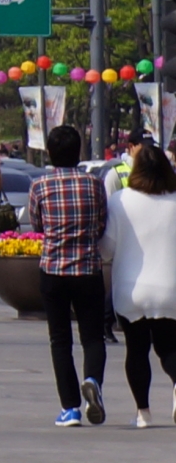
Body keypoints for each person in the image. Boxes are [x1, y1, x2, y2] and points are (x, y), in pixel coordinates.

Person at [23, 123, 111, 426]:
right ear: (79, 152)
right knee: (93, 337)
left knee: (60, 340)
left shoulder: (40, 185)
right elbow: (102, 224)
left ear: (49, 153)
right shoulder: (94, 184)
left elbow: (37, 226)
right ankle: (93, 381)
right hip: (88, 269)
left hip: (53, 270)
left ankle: (71, 407)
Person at [107, 141, 176, 428]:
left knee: (135, 350)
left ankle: (143, 412)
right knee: (170, 348)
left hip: (130, 289)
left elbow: (106, 249)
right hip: (171, 289)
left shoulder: (120, 200)